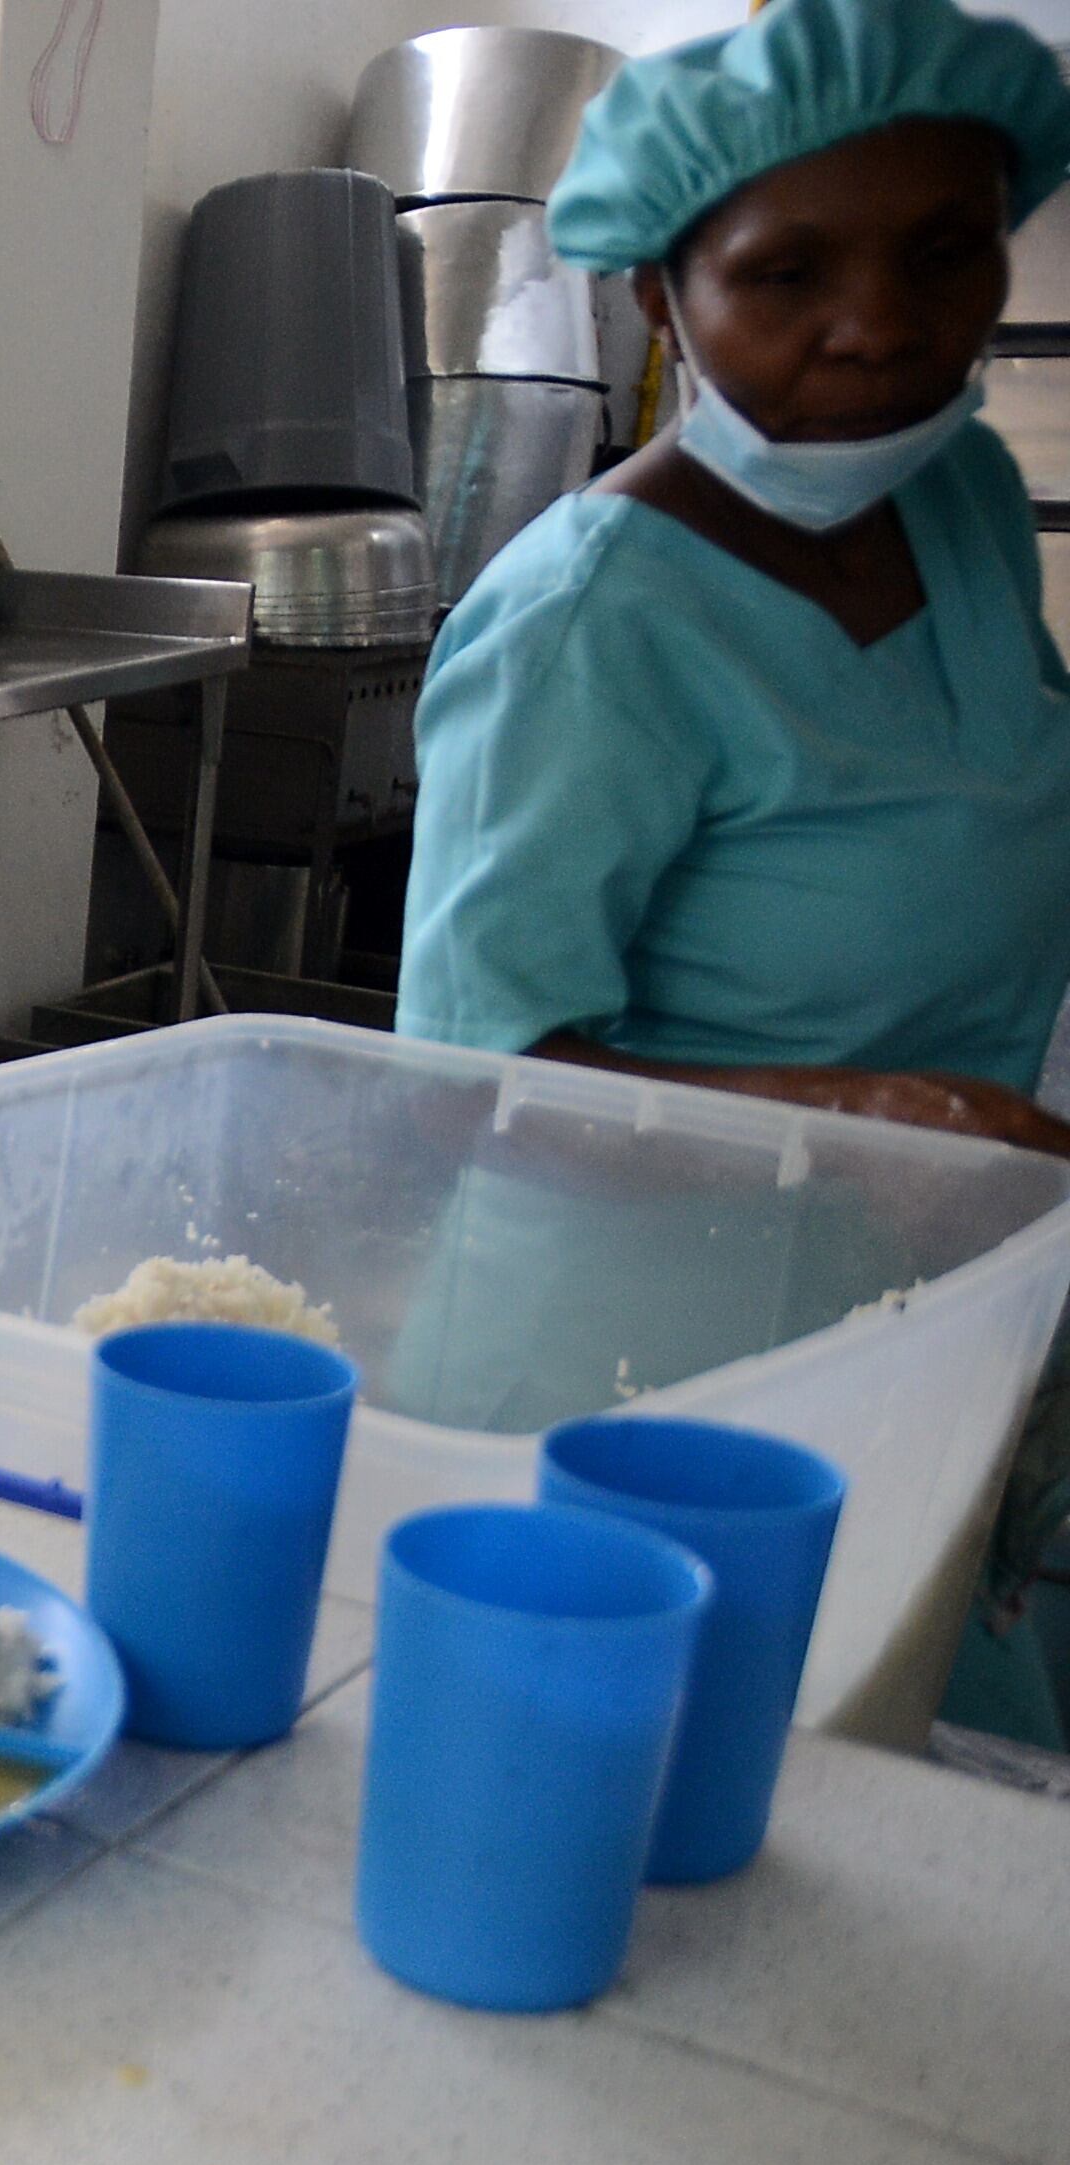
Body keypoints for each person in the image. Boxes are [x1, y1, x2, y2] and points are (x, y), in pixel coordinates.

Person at [393, 0, 1070, 1738]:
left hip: (906, 1319)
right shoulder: (588, 621)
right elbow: (471, 1084)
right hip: (625, 1368)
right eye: (786, 274)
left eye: (943, 254)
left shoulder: (963, 504)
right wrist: (866, 1125)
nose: (880, 328)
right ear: (659, 297)